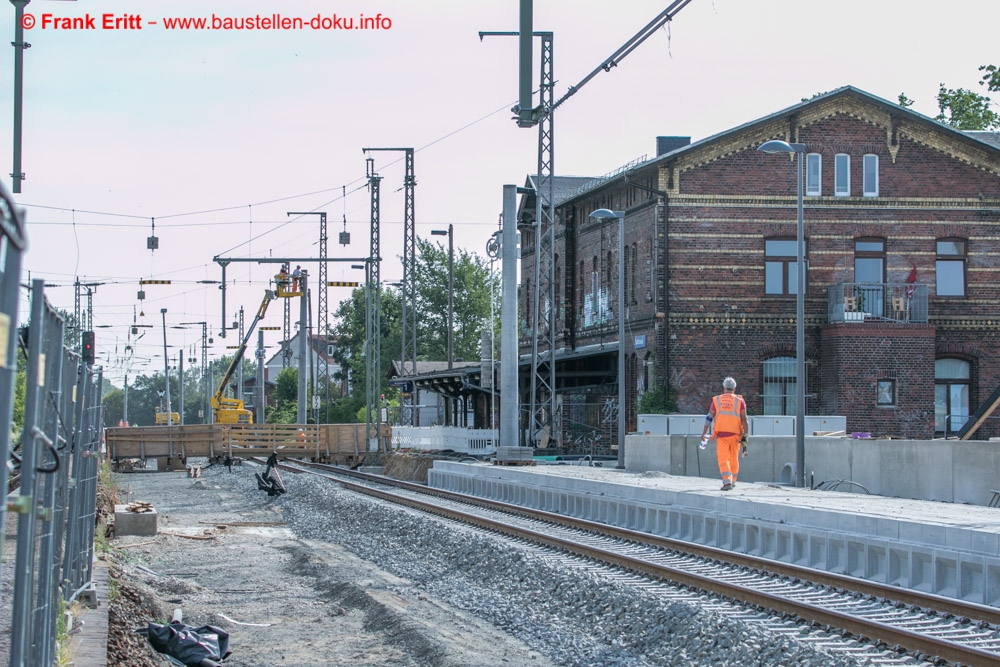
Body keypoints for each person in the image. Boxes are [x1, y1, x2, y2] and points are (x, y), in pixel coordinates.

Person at [700, 376, 749, 491]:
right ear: (734, 389)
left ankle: (727, 482)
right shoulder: (740, 401)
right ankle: (733, 480)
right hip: (736, 435)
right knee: (734, 458)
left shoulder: (717, 400)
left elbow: (709, 417)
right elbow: (745, 419)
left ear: (724, 388)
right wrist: (745, 437)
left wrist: (704, 432)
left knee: (723, 458)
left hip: (722, 435)